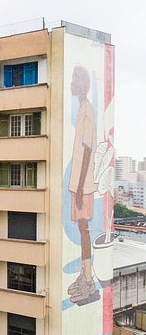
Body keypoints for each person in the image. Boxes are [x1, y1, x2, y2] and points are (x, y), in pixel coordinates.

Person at [67, 65, 99, 306]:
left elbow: (88, 150)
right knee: (82, 228)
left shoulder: (87, 110)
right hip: (79, 182)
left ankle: (88, 279)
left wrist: (79, 188)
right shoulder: (82, 108)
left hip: (83, 184)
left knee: (84, 229)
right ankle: (85, 274)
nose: (70, 84)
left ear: (81, 84)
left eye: (73, 80)